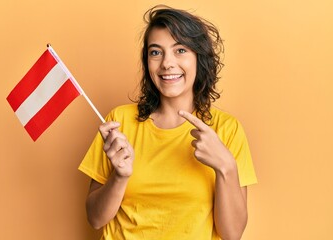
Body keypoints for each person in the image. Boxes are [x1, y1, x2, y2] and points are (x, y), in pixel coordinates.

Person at [79, 5, 257, 240]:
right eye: (156, 52)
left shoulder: (227, 130)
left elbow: (232, 234)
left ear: (198, 58)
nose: (166, 63)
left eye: (180, 50)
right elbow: (95, 218)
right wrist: (119, 177)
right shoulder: (119, 123)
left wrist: (226, 167)